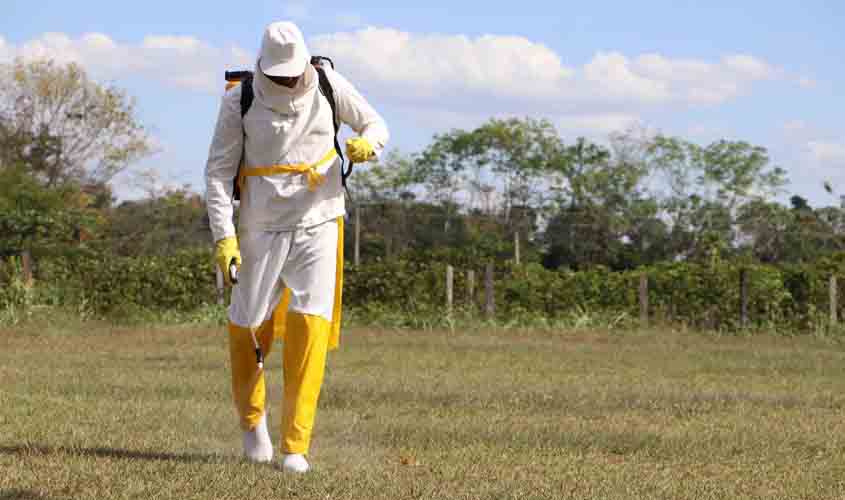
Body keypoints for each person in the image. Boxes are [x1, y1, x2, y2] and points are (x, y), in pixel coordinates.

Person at [204, 20, 388, 473]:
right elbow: (217, 173)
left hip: (319, 219)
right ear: (264, 68)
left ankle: (295, 446)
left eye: (293, 72)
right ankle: (253, 425)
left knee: (311, 325)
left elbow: (375, 122)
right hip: (260, 225)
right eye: (280, 73)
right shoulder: (240, 99)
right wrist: (224, 238)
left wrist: (368, 143)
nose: (288, 80)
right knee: (247, 324)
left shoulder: (327, 82)